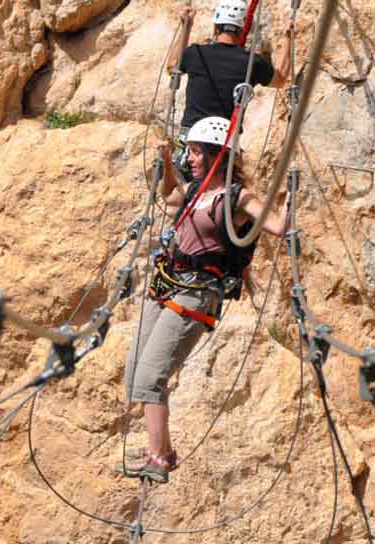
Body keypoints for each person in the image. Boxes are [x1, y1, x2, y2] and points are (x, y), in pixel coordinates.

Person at [121, 115, 288, 483]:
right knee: (135, 373)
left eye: (196, 153)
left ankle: (158, 459)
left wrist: (288, 200)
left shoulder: (236, 197)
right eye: (190, 153)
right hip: (167, 283)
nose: (191, 159)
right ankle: (163, 451)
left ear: (216, 156)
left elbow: (276, 226)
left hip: (197, 292)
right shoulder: (195, 191)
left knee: (151, 377)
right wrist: (167, 163)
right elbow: (168, 195)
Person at [166, 0, 291, 177]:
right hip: (224, 143)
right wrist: (288, 39)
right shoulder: (252, 63)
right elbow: (279, 79)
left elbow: (172, 66)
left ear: (216, 27)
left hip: (192, 141)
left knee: (181, 196)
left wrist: (186, 26)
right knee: (222, 195)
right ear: (242, 31)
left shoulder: (196, 53)